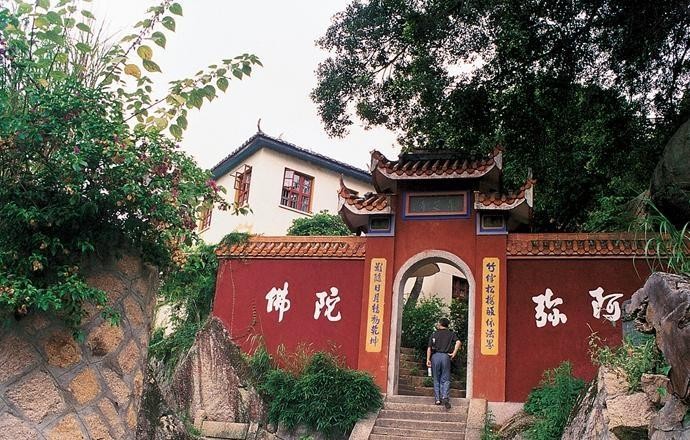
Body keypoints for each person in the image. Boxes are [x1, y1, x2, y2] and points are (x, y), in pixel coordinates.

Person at [426, 317, 461, 409]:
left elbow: (429, 348)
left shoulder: (434, 334)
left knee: (436, 378)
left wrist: (428, 359)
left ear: (440, 324)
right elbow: (458, 342)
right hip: (445, 357)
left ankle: (437, 399)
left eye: (438, 323)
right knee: (445, 378)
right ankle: (445, 396)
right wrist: (454, 353)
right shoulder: (451, 334)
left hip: (435, 357)